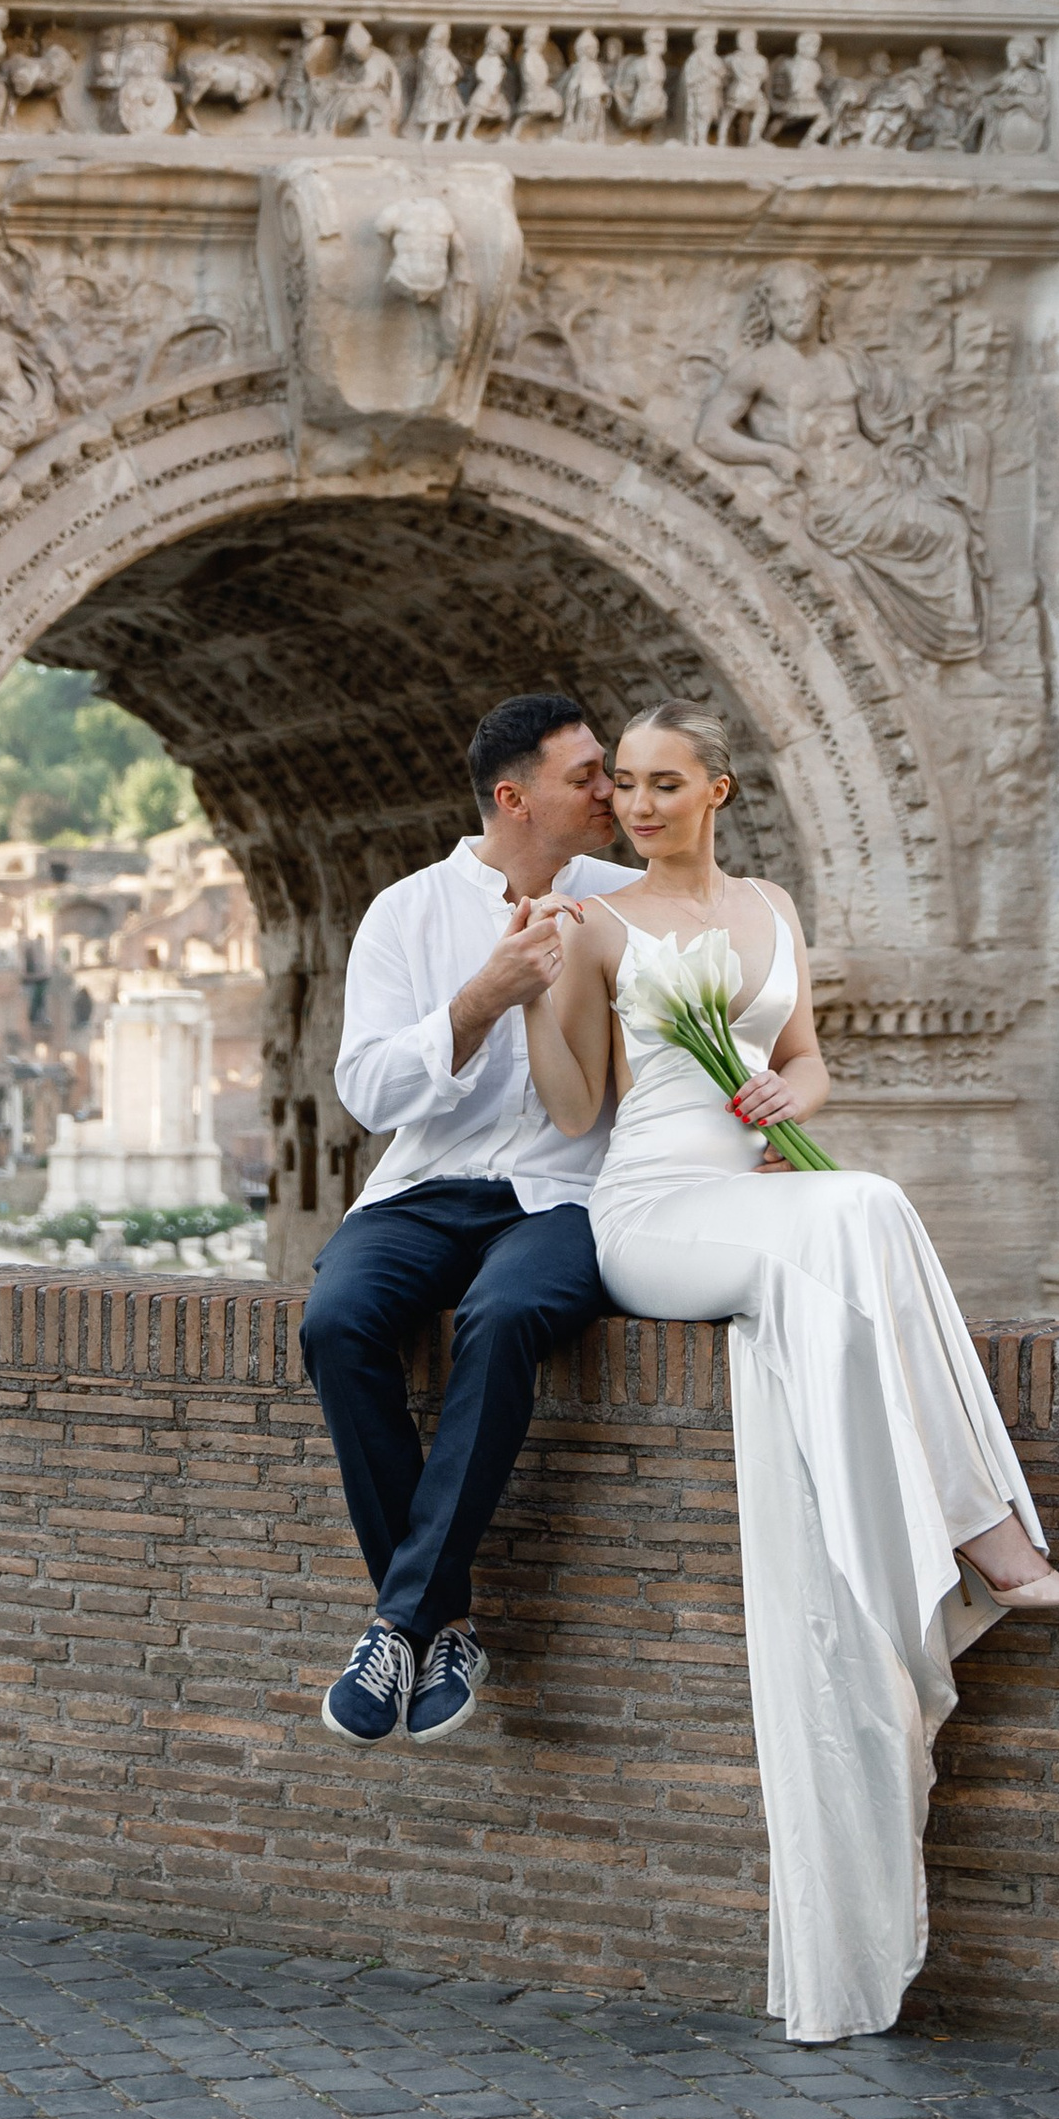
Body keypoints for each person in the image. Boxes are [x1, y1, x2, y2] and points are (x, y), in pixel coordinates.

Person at [526, 706, 1059, 2046]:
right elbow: (570, 1107)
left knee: (870, 1204)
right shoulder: (596, 923)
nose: (643, 806)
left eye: (668, 784)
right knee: (858, 1220)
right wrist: (545, 982)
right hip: (655, 1214)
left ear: (718, 787)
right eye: (629, 790)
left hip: (763, 1196)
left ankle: (968, 1533)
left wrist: (798, 1102)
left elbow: (808, 1057)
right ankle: (975, 1535)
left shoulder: (772, 905)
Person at [300, 694, 638, 1752]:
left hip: (570, 1194)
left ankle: (399, 1623)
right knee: (337, 1321)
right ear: (513, 796)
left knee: (503, 1315)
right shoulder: (404, 913)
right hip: (428, 1185)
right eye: (586, 775)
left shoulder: (630, 904)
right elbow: (365, 1090)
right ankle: (443, 1624)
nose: (609, 792)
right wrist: (477, 1001)